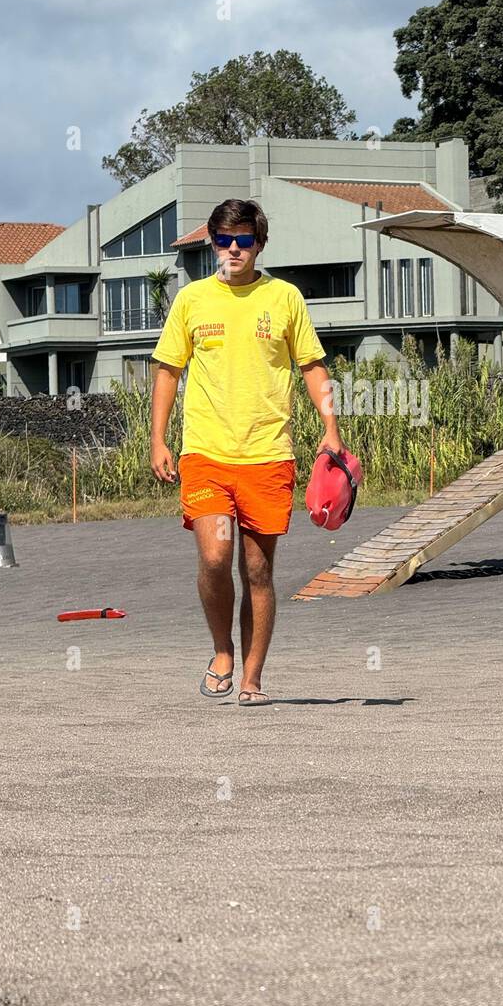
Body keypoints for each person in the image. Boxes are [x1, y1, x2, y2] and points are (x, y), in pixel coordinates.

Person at [150, 198, 344, 707]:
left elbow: (313, 367)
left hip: (268, 454)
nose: (233, 249)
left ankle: (253, 676)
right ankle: (222, 652)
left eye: (243, 240)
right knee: (215, 556)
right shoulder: (192, 300)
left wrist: (331, 428)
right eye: (223, 240)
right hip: (206, 453)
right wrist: (158, 438)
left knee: (257, 570)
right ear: (211, 243)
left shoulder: (284, 298)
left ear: (260, 243)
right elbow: (167, 370)